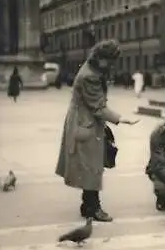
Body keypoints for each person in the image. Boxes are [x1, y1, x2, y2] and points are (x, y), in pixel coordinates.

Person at [55, 39, 139, 222]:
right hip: (86, 123)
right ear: (101, 57)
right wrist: (121, 119)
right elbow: (98, 107)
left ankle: (87, 205)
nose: (111, 65)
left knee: (91, 165)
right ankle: (94, 208)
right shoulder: (90, 76)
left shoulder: (92, 68)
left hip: (86, 121)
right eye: (110, 61)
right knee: (92, 166)